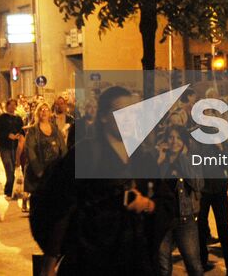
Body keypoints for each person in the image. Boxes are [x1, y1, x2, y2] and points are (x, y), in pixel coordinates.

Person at [49, 85, 173, 276]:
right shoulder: (85, 155)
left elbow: (165, 200)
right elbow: (56, 205)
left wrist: (147, 204)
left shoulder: (143, 157)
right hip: (91, 262)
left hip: (135, 261)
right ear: (104, 116)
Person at [156, 125, 206, 276]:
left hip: (185, 218)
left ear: (184, 141)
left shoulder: (191, 159)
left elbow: (198, 184)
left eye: (178, 138)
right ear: (165, 140)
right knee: (164, 269)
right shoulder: (159, 158)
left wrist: (183, 159)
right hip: (162, 220)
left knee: (194, 266)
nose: (174, 141)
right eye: (171, 137)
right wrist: (160, 161)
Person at [23, 101, 68, 209]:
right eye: (41, 109)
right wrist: (39, 170)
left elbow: (63, 148)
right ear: (38, 113)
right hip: (39, 170)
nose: (44, 111)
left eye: (46, 109)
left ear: (50, 113)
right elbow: (30, 151)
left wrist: (65, 165)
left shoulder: (55, 129)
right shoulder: (33, 130)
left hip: (54, 169)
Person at [0, 97, 25, 198]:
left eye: (14, 105)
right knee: (9, 168)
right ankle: (9, 190)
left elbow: (22, 130)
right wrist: (7, 135)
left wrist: (19, 134)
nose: (12, 107)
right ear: (7, 106)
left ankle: (12, 190)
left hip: (16, 147)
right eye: (10, 105)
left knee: (16, 168)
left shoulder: (18, 119)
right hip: (5, 146)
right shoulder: (1, 118)